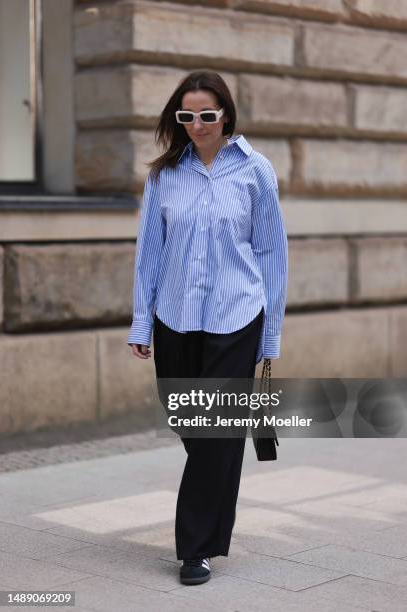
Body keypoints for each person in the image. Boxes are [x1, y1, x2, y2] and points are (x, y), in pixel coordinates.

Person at [127, 70, 288, 585]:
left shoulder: (255, 171)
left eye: (207, 115)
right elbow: (149, 253)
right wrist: (140, 322)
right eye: (186, 116)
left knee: (216, 429)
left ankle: (194, 549)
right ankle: (213, 526)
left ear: (225, 116)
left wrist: (271, 335)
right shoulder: (163, 176)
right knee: (192, 424)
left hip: (237, 315)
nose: (197, 125)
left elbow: (271, 254)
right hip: (174, 316)